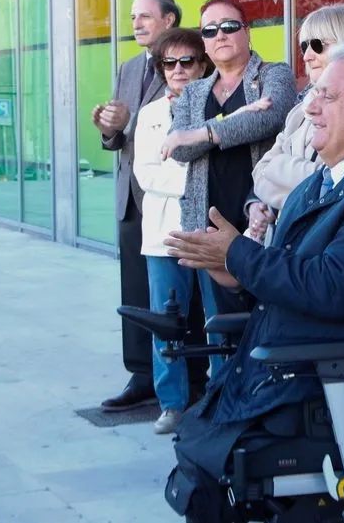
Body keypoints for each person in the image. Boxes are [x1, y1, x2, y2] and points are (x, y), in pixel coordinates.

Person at [161, 44, 344, 516]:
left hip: (333, 383)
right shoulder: (319, 182)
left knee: (211, 466)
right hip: (285, 372)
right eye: (313, 94)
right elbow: (290, 275)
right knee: (196, 452)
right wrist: (233, 275)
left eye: (328, 96)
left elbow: (333, 288)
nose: (310, 108)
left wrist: (239, 254)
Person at [133, 27, 270, 434]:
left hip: (212, 230)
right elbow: (146, 173)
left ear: (203, 65)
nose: (177, 70)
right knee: (166, 320)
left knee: (219, 316)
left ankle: (220, 394)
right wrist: (199, 181)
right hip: (166, 233)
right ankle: (172, 404)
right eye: (168, 63)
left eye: (186, 61)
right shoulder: (151, 114)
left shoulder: (218, 110)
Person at [162, 0, 296, 317]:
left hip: (262, 213)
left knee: (265, 320)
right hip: (207, 224)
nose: (220, 35)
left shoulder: (273, 74)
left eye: (229, 26)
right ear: (205, 43)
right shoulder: (194, 91)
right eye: (210, 30)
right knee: (221, 327)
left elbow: (268, 118)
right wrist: (232, 120)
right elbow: (179, 149)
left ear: (247, 32)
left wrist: (201, 133)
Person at [96, 0, 181, 412]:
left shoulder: (187, 61)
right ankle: (142, 375)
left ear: (168, 20)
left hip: (171, 196)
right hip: (131, 198)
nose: (136, 24)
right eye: (133, 17)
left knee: (174, 296)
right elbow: (119, 139)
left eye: (145, 16)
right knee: (135, 291)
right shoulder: (128, 68)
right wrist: (109, 129)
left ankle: (185, 377)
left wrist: (128, 125)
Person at [245, 3, 344, 243]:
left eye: (318, 45)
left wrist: (279, 168)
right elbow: (260, 173)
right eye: (304, 46)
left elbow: (335, 186)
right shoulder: (299, 112)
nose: (307, 56)